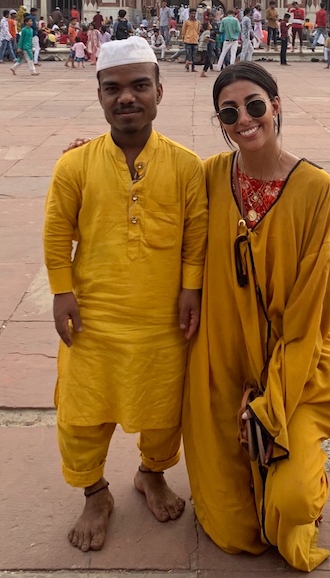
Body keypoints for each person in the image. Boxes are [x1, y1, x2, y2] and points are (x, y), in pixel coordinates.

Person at [183, 62, 330, 572]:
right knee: (235, 528)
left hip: (297, 367)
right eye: (230, 112)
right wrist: (102, 155)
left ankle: (304, 463)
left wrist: (267, 399)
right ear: (221, 121)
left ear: (276, 106)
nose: (244, 119)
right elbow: (156, 179)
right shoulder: (212, 176)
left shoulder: (314, 188)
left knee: (292, 506)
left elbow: (307, 315)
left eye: (255, 105)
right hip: (226, 358)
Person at [43, 37, 207, 553]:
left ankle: (151, 473)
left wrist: (190, 290)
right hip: (94, 316)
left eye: (139, 86)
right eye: (113, 89)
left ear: (160, 91)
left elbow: (196, 235)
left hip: (162, 318)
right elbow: (56, 231)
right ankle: (94, 492)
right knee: (81, 412)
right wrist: (60, 292)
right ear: (99, 96)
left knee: (163, 409)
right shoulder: (75, 165)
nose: (127, 98)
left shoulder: (186, 165)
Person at [181, 8, 200, 72]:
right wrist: (183, 38)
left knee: (194, 55)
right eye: (192, 13)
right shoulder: (186, 22)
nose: (193, 15)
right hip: (188, 40)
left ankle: (193, 67)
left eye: (194, 13)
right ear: (189, 14)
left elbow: (198, 31)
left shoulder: (198, 22)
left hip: (195, 40)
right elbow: (183, 31)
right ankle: (187, 67)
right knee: (188, 55)